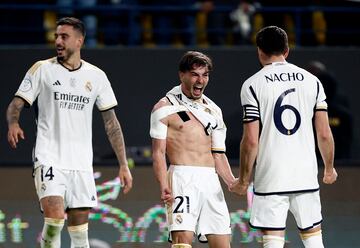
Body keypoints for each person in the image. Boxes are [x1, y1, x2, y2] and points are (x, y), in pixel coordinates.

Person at [6, 17, 133, 248]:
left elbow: (111, 123)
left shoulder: (96, 76)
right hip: (49, 158)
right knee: (54, 221)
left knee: (80, 234)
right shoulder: (42, 69)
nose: (58, 41)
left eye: (64, 36)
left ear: (79, 40)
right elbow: (15, 104)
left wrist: (123, 164)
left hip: (81, 164)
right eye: (56, 36)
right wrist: (13, 123)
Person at [231, 26, 338, 248]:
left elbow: (251, 141)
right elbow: (325, 134)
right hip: (305, 174)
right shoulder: (312, 81)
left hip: (271, 174)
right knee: (314, 241)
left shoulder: (252, 85)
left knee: (273, 242)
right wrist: (329, 167)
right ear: (287, 50)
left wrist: (243, 179)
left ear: (260, 51)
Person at [150, 51, 236, 247]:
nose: (201, 80)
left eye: (205, 75)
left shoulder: (214, 110)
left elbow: (218, 154)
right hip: (182, 178)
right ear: (182, 75)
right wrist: (163, 183)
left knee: (223, 243)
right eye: (195, 74)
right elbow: (157, 152)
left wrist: (231, 181)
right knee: (182, 243)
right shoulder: (164, 107)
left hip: (210, 181)